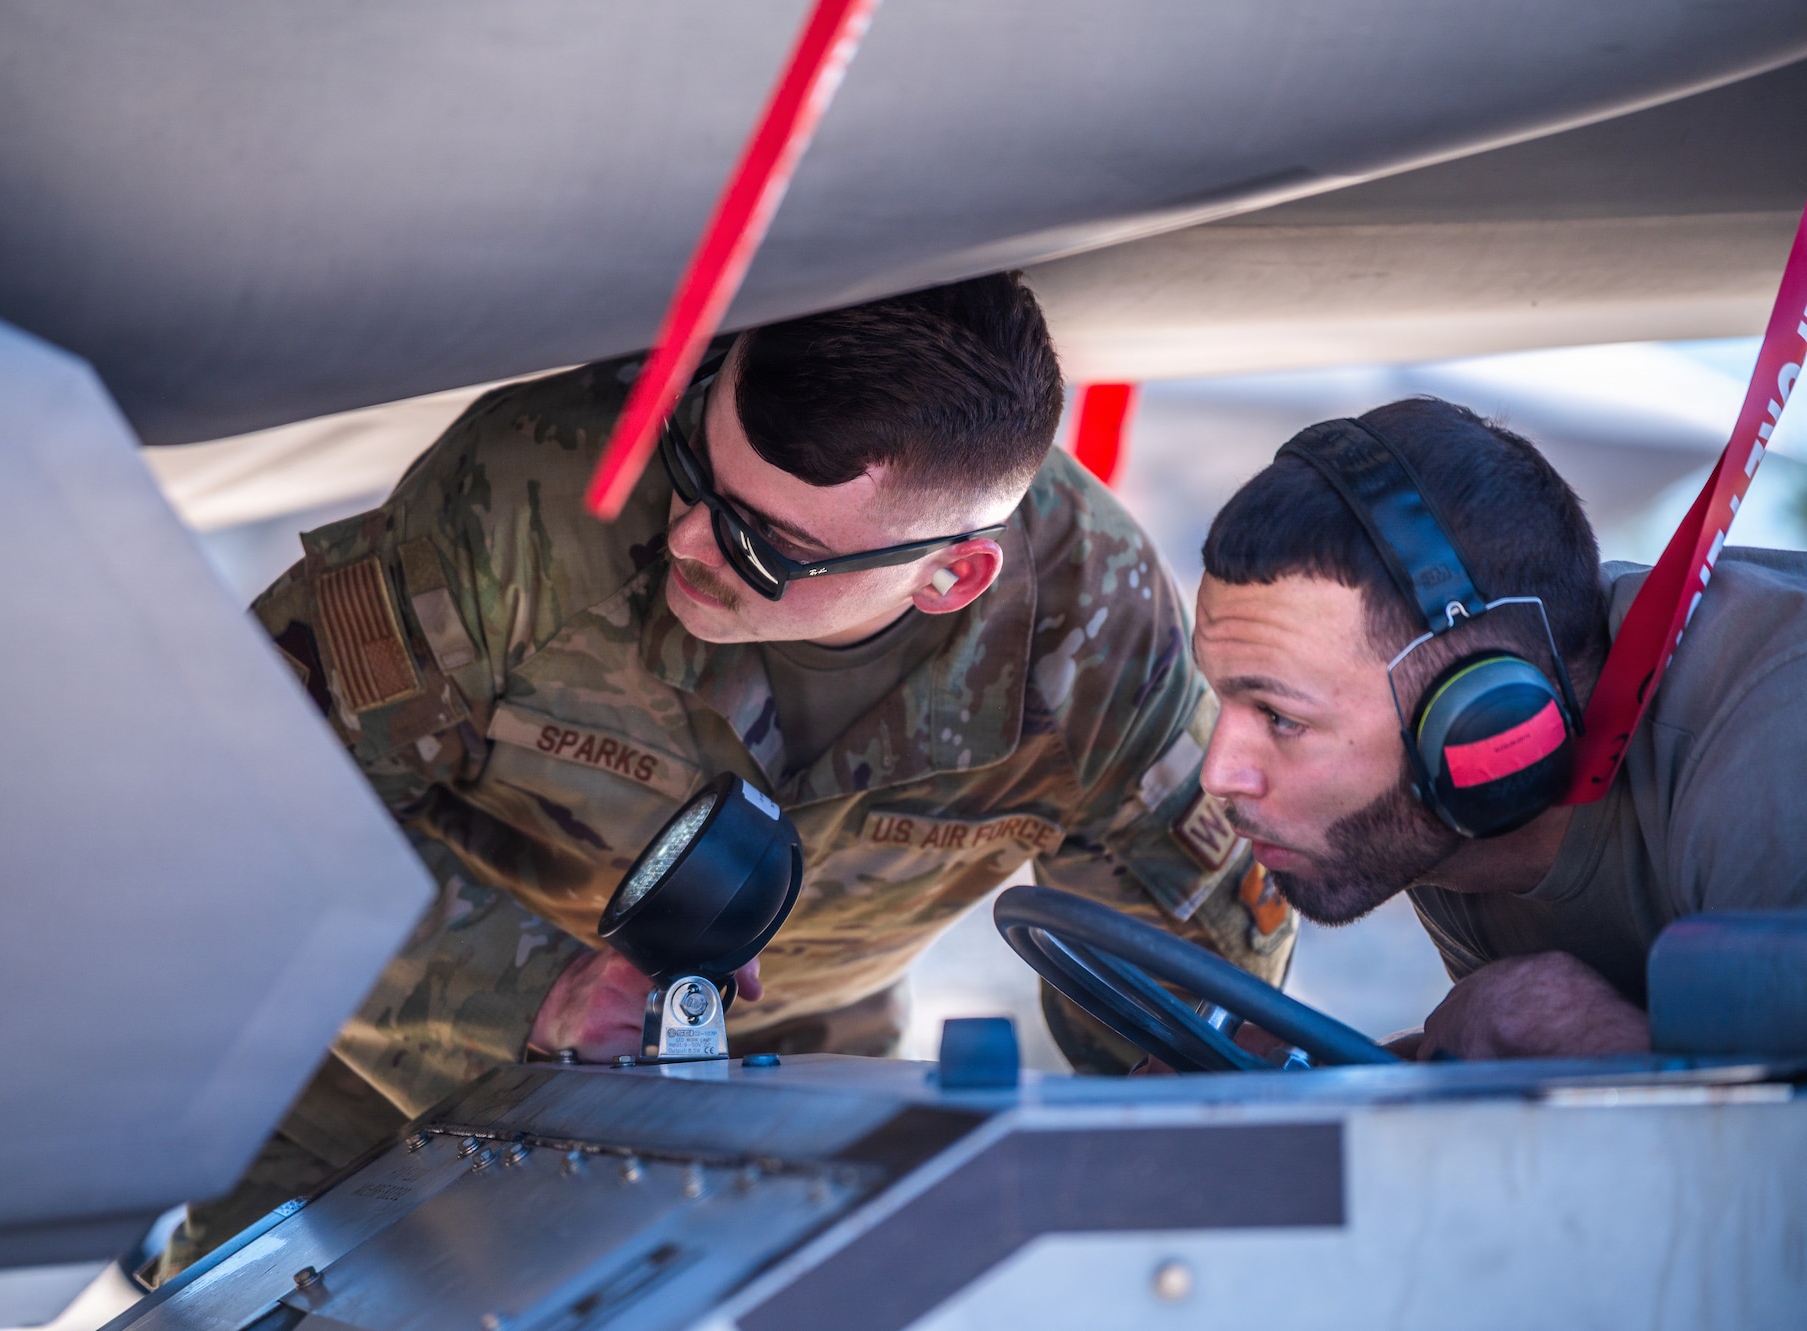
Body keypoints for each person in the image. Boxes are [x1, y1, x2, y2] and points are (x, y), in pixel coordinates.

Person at [154, 274, 1289, 1278]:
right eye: (696, 461)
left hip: (789, 1106)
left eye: (763, 546)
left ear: (951, 574)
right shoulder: (536, 495)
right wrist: (529, 1001)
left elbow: (1191, 1012)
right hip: (386, 1065)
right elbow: (245, 807)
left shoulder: (1092, 632)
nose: (687, 537)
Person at [1193, 396, 1807, 1062]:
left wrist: (1593, 1039)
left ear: (1482, 722)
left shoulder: (1774, 725)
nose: (1219, 772)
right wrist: (1292, 1080)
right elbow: (1524, 1064)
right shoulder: (1443, 813)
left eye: (1281, 717)